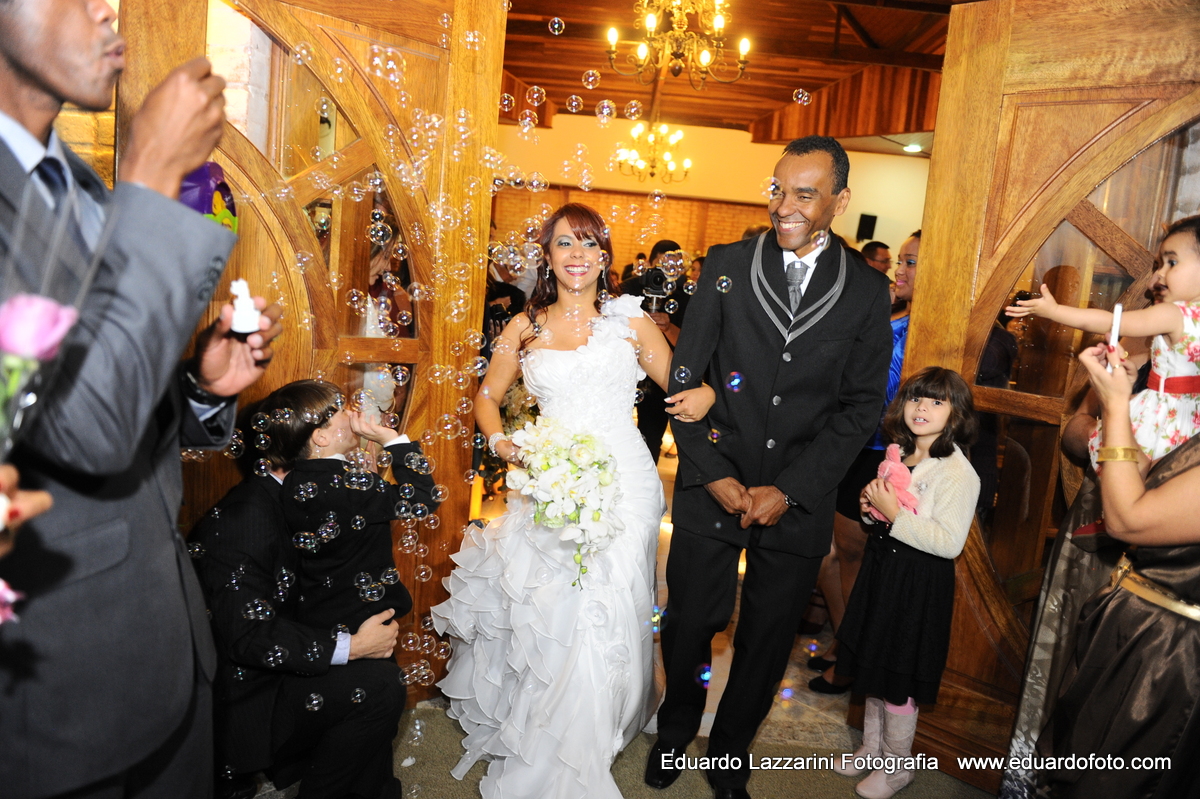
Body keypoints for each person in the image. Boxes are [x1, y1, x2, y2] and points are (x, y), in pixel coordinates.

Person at [0, 3, 284, 797]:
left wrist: (198, 386)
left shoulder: (78, 186)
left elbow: (85, 389)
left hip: (161, 646)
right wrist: (154, 178)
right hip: (58, 700)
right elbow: (87, 430)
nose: (105, 8)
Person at [432, 203, 716, 799]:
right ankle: (559, 727)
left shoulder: (629, 321)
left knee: (614, 596)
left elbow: (680, 386)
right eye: (565, 244)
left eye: (589, 244)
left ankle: (605, 716)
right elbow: (487, 397)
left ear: (606, 257)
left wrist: (708, 392)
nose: (577, 255)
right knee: (561, 606)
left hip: (627, 480)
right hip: (549, 476)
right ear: (549, 256)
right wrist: (504, 441)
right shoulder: (524, 327)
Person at [652, 136, 892, 799]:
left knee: (765, 640)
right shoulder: (728, 263)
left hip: (799, 498)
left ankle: (729, 753)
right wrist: (711, 470)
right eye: (777, 189)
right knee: (691, 621)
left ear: (841, 202)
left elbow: (860, 406)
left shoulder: (868, 292)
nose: (784, 205)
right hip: (712, 481)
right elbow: (683, 375)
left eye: (804, 194)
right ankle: (675, 731)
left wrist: (790, 489)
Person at [191, 382, 411, 799]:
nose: (352, 414)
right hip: (253, 694)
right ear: (313, 436)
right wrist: (352, 646)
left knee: (380, 674)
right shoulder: (245, 517)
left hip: (286, 661)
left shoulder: (303, 492)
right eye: (337, 411)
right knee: (379, 687)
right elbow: (248, 635)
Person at [1035, 341, 1200, 797]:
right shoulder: (1144, 354)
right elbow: (1076, 431)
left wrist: (1117, 406)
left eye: (1174, 263)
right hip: (1138, 614)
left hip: (1172, 650)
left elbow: (1128, 518)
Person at [830, 367, 980, 799]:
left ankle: (897, 767)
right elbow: (884, 514)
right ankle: (873, 750)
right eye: (916, 398)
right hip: (885, 573)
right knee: (875, 666)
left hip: (917, 585)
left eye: (937, 401)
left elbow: (949, 542)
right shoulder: (901, 456)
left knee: (898, 676)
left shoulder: (957, 473)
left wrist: (894, 514)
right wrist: (869, 509)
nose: (923, 408)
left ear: (956, 414)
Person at [810, 231, 918, 694]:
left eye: (911, 263)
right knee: (831, 554)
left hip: (882, 451)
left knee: (851, 556)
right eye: (902, 260)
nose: (900, 269)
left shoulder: (921, 328)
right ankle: (844, 638)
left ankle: (851, 653)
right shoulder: (892, 312)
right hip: (853, 443)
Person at [1006, 215, 1200, 469]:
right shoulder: (1174, 314)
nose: (1157, 277)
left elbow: (1110, 322)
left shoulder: (1174, 313)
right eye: (1159, 264)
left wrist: (1054, 311)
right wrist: (1056, 312)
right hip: (1186, 420)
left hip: (1171, 415)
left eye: (1171, 263)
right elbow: (1111, 322)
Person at [280, 395, 437, 635]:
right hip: (362, 624)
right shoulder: (348, 487)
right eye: (343, 412)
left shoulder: (296, 479)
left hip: (322, 615)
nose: (354, 414)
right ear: (321, 436)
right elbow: (424, 498)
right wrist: (392, 440)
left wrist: (365, 480)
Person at [621, 238, 692, 463]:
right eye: (660, 265)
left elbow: (691, 343)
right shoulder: (630, 288)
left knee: (651, 436)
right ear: (650, 262)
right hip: (627, 370)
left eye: (672, 266)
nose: (664, 272)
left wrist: (668, 326)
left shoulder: (685, 294)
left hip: (665, 374)